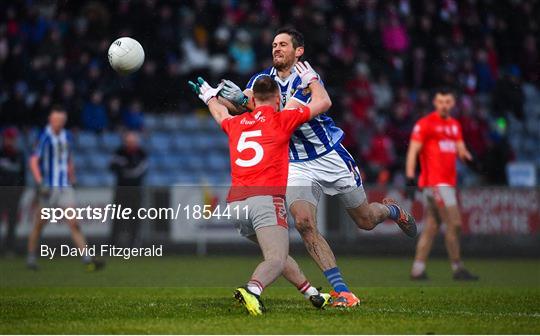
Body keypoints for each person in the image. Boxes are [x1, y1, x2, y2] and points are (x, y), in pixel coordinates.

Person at [218, 27, 417, 307]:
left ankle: (392, 210)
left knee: (365, 220)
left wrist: (243, 103)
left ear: (298, 51)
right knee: (303, 222)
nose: (276, 49)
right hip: (296, 162)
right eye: (274, 44)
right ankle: (342, 291)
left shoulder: (306, 77)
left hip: (329, 156)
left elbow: (283, 114)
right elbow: (250, 108)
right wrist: (230, 99)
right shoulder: (262, 79)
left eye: (283, 45)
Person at [189, 61, 332, 316]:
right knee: (275, 259)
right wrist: (311, 79)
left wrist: (210, 96)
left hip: (235, 205)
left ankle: (313, 294)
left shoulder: (237, 123)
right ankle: (253, 289)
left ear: (251, 98)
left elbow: (220, 113)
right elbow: (323, 102)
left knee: (276, 254)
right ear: (278, 99)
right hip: (265, 200)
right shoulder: (282, 119)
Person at [405, 88, 479, 281]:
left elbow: (461, 150)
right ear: (435, 103)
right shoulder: (426, 124)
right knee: (454, 224)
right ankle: (458, 268)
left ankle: (417, 269)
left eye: (448, 101)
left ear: (453, 104)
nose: (444, 105)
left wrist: (472, 161)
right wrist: (410, 179)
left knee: (431, 227)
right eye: (441, 101)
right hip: (436, 184)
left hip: (446, 184)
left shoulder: (455, 125)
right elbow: (413, 151)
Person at [27, 105, 104, 271]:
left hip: (64, 187)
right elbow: (33, 160)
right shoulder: (44, 136)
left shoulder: (67, 136)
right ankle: (31, 256)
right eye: (56, 120)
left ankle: (86, 258)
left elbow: (68, 158)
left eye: (62, 120)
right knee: (40, 224)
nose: (59, 123)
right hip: (48, 187)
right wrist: (40, 181)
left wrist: (72, 174)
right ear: (50, 119)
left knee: (74, 222)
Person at [109, 131, 148, 247]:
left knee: (135, 218)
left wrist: (125, 170)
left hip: (135, 191)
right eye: (129, 141)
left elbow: (139, 172)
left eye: (133, 141)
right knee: (118, 217)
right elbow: (113, 167)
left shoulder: (142, 153)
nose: (131, 144)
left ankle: (134, 244)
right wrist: (127, 171)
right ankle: (114, 244)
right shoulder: (119, 152)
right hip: (121, 190)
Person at [0, 128, 25, 255]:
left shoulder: (19, 155)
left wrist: (20, 191)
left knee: (12, 222)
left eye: (12, 138)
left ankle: (9, 248)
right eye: (8, 138)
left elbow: (22, 176)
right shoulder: (1, 154)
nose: (10, 141)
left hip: (14, 193)